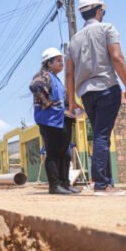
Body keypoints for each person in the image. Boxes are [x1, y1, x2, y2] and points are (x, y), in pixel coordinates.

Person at [65, 0, 126, 196]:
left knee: (100, 135)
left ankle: (107, 181)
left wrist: (71, 102)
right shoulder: (107, 29)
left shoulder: (73, 40)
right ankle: (101, 184)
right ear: (99, 10)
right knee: (103, 135)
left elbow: (69, 73)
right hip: (106, 88)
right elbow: (117, 57)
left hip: (86, 94)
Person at [30, 47, 80, 195]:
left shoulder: (55, 78)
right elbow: (35, 86)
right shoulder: (43, 75)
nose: (61, 63)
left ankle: (65, 184)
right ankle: (54, 185)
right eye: (58, 60)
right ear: (48, 62)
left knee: (65, 154)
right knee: (53, 153)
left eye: (62, 60)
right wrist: (48, 104)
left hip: (61, 120)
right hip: (49, 121)